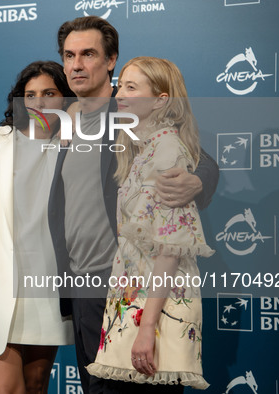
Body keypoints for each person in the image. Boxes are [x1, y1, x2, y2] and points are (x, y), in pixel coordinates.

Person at [48, 16, 219, 394]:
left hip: (126, 287)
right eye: (69, 55)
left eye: (88, 54)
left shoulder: (129, 111)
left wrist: (197, 180)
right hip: (83, 288)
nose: (76, 64)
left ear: (110, 61)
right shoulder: (67, 121)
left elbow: (197, 156)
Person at [86, 56, 214, 392]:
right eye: (120, 86)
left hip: (155, 309)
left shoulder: (168, 150)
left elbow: (170, 249)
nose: (120, 95)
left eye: (131, 87)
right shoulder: (142, 149)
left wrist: (147, 326)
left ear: (161, 100)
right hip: (132, 301)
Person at [0, 61, 75, 394]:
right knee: (8, 388)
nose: (38, 102)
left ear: (65, 99)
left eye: (49, 93)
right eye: (30, 94)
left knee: (36, 385)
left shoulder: (73, 147)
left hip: (48, 284)